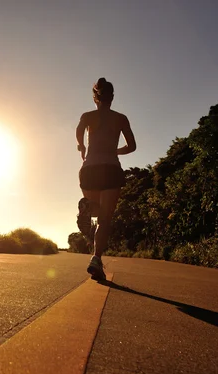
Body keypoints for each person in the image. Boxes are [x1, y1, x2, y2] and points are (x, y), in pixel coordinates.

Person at [75, 77, 136, 280]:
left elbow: (79, 130)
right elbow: (132, 146)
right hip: (110, 168)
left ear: (95, 97)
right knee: (104, 219)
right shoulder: (121, 118)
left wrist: (82, 146)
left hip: (90, 168)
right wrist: (114, 151)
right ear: (112, 97)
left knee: (96, 210)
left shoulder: (88, 115)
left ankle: (87, 207)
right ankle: (96, 258)